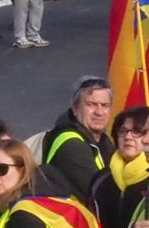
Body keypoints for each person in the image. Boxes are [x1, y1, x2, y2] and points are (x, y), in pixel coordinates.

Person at [42, 77, 117, 216]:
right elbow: (102, 197)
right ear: (75, 108)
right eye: (91, 104)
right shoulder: (70, 145)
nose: (99, 112)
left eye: (105, 105)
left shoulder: (103, 142)